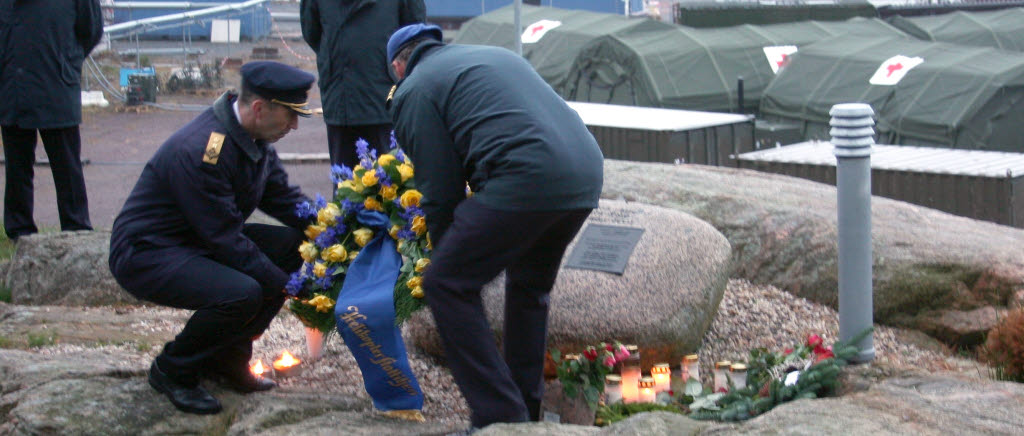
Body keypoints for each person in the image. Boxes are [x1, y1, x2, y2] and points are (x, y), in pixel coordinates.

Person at [386, 24, 605, 429]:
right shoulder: (490, 56)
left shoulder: (415, 88)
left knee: (445, 284)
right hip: (584, 174)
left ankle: (498, 416)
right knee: (529, 287)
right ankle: (523, 412)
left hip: (525, 177)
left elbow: (440, 189)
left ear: (399, 67)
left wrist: (447, 253)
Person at [108, 61, 315, 415]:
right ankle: (174, 370)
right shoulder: (205, 150)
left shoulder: (254, 137)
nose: (294, 125)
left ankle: (228, 360)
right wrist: (291, 286)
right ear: (259, 108)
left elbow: (284, 199)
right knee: (241, 293)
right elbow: (226, 241)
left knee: (292, 246)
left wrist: (338, 229)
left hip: (196, 240)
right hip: (148, 251)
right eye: (290, 115)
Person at [0, 0, 103, 240]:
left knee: (67, 166)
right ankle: (19, 232)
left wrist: (68, 62)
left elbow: (91, 29)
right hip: (12, 88)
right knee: (17, 167)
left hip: (56, 84)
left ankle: (76, 231)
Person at [299, 0, 425, 168]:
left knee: (389, 179)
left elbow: (414, 35)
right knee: (348, 182)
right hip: (343, 96)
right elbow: (312, 32)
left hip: (382, 95)